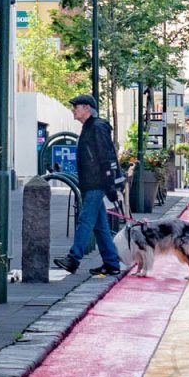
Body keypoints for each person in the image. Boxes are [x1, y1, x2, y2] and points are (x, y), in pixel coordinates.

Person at [53, 94, 123, 276]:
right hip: (92, 183)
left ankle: (73, 258)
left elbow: (106, 157)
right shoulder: (90, 127)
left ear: (86, 108)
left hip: (96, 183)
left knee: (85, 220)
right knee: (100, 226)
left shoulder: (97, 127)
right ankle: (112, 263)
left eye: (76, 107)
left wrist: (110, 185)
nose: (73, 110)